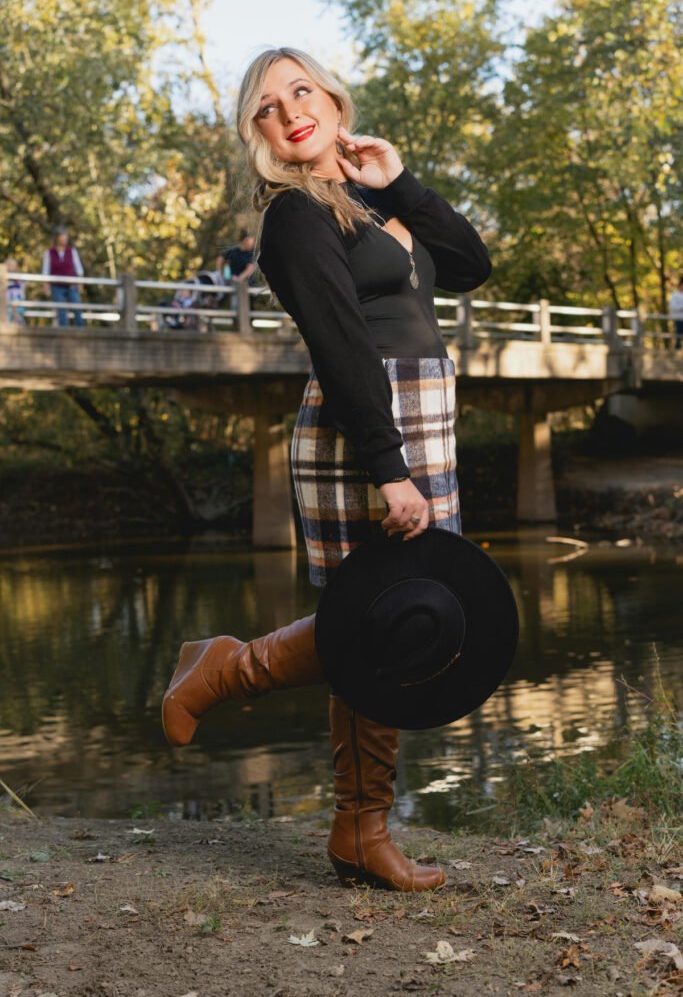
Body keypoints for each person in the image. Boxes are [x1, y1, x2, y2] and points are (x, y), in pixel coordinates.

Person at [161, 47, 492, 891]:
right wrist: (389, 467)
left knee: (391, 618)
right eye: (267, 107)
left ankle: (358, 830)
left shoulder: (364, 198)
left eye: (300, 91)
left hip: (420, 412)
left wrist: (399, 181)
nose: (288, 112)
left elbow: (468, 265)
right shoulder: (294, 218)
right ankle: (230, 672)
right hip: (364, 423)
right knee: (387, 617)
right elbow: (341, 344)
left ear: (333, 100)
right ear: (258, 133)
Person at [42, 228, 85, 327]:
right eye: (62, 236)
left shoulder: (72, 251)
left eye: (66, 236)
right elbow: (46, 270)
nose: (65, 238)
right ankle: (63, 333)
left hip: (71, 285)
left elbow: (78, 268)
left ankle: (81, 331)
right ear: (57, 238)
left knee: (77, 307)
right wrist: (45, 285)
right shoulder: (49, 252)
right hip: (56, 286)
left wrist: (80, 283)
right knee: (61, 311)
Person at [219, 230, 257, 310]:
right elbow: (221, 259)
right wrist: (222, 274)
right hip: (234, 283)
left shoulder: (251, 253)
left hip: (247, 285)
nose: (252, 244)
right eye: (250, 241)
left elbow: (250, 268)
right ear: (245, 240)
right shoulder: (233, 251)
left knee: (248, 309)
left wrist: (239, 279)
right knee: (234, 306)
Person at [5, 259, 27, 325]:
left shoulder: (18, 277)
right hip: (7, 300)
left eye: (13, 266)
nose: (11, 267)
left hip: (17, 299)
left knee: (17, 314)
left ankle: (20, 323)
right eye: (9, 265)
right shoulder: (4, 276)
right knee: (8, 316)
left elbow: (23, 285)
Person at [669, 275, 683, 350]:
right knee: (679, 332)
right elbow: (673, 306)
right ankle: (677, 346)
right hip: (678, 318)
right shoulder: (675, 294)